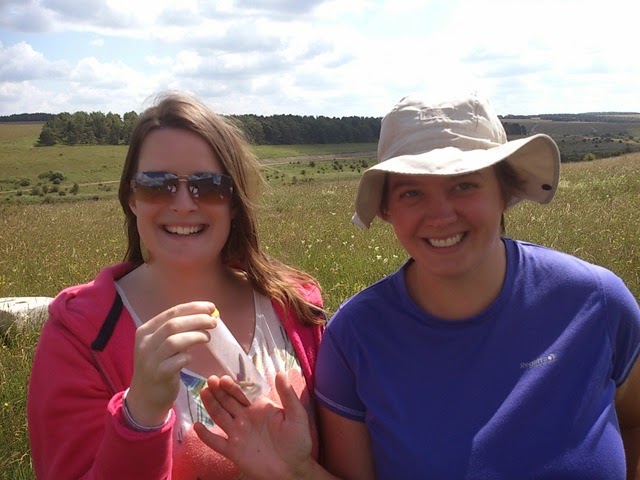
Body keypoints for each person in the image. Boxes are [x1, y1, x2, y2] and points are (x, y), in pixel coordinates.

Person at [194, 94, 640, 479]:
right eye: (411, 193)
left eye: (465, 184)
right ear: (386, 208)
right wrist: (296, 472)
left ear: (504, 191)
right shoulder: (355, 339)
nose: (441, 214)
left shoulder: (595, 302)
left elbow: (635, 424)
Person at [27, 91, 325, 479]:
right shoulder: (79, 335)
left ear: (234, 202)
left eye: (208, 185)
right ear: (131, 199)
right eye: (156, 184)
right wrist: (140, 417)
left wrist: (296, 473)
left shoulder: (296, 308)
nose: (183, 203)